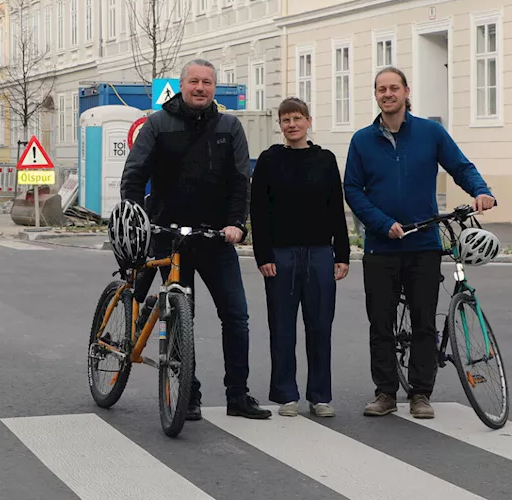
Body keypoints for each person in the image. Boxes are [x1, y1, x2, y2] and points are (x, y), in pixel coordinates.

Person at [120, 58, 271, 421]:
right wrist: (137, 218)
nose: (200, 87)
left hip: (215, 236)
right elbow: (135, 174)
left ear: (214, 88)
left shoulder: (229, 126)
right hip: (168, 236)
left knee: (236, 316)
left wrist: (237, 223)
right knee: (178, 317)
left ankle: (238, 396)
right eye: (193, 81)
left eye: (207, 82)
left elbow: (239, 181)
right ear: (182, 85)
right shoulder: (158, 124)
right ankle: (189, 394)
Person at [343, 67, 495, 420]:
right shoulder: (362, 140)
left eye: (393, 88)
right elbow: (352, 189)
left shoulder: (430, 132)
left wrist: (481, 190)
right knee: (380, 323)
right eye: (381, 89)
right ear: (376, 95)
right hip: (382, 247)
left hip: (423, 243)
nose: (387, 94)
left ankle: (420, 393)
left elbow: (460, 166)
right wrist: (382, 224)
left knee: (424, 320)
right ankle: (384, 393)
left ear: (406, 91)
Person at [251, 97, 350, 418]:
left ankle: (320, 395)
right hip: (280, 255)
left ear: (309, 121)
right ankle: (286, 394)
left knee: (320, 325)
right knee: (282, 326)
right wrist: (262, 254)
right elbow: (259, 211)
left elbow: (336, 207)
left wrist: (342, 253)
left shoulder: (325, 159)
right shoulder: (269, 160)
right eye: (285, 120)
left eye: (297, 118)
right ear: (279, 125)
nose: (291, 124)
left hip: (321, 252)